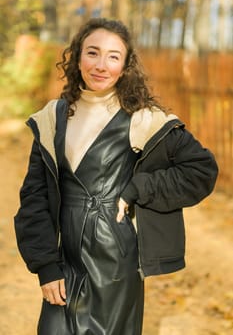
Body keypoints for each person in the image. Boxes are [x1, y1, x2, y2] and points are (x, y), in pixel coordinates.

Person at [14, 17, 218, 335]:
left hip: (114, 263)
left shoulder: (141, 119)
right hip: (63, 262)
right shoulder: (52, 118)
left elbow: (202, 169)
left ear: (124, 67)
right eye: (93, 53)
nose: (101, 65)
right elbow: (34, 197)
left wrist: (138, 187)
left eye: (113, 56)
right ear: (78, 57)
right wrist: (45, 266)